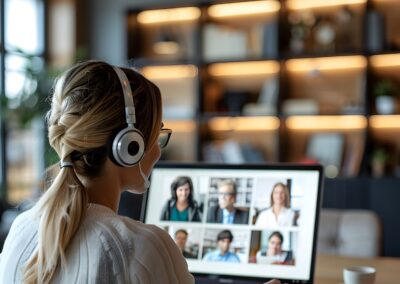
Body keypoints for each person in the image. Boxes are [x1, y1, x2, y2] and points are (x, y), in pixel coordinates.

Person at [0, 61, 194, 283]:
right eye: (156, 133)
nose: (158, 150)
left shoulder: (21, 229)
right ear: (130, 145)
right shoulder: (143, 248)